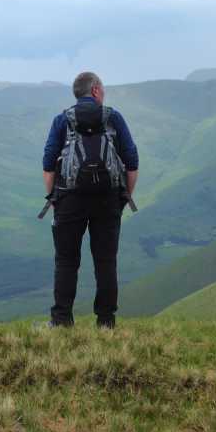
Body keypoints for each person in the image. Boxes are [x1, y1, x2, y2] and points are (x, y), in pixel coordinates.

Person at [42, 72, 139, 329]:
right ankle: (106, 323)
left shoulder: (62, 120)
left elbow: (48, 163)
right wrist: (124, 196)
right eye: (103, 89)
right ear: (95, 90)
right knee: (106, 261)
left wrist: (54, 197)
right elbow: (131, 160)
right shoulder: (113, 118)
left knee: (66, 260)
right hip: (107, 200)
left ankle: (61, 320)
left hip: (69, 199)